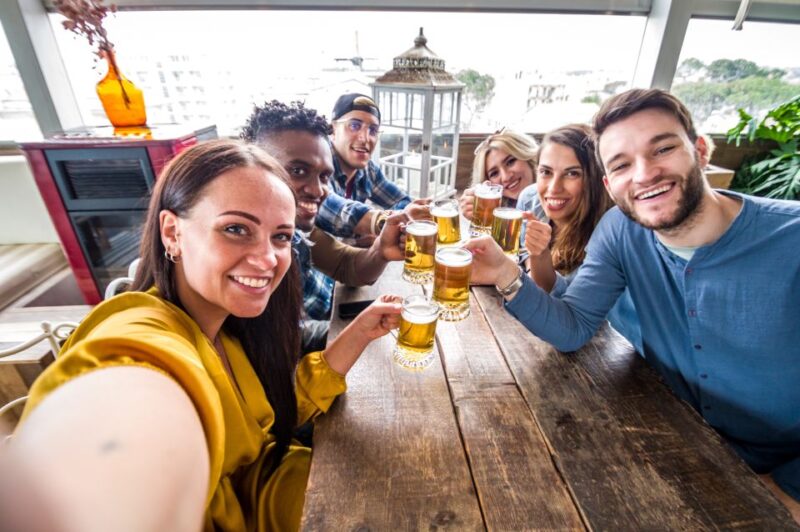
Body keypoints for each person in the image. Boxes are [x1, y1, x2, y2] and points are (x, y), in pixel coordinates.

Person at [1, 140, 403, 531]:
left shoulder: (226, 331)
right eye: (236, 229)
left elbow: (263, 431)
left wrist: (357, 334)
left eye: (281, 236)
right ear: (172, 232)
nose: (267, 259)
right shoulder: (143, 336)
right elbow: (123, 411)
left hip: (291, 494)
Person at [464, 89, 800, 521]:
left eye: (662, 148)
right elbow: (573, 327)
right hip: (675, 447)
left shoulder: (790, 238)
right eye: (621, 164)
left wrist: (787, 490)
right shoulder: (620, 229)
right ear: (609, 183)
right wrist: (504, 274)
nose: (644, 174)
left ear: (698, 151)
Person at [241, 100, 412, 352]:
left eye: (324, 177)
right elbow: (281, 340)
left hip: (331, 317)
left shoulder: (294, 230)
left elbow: (345, 264)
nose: (318, 190)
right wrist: (357, 331)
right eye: (298, 170)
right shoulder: (243, 249)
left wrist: (381, 251)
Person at [515, 124, 641, 351]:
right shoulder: (531, 200)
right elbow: (541, 284)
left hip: (616, 347)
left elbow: (568, 312)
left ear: (594, 179)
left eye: (572, 173)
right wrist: (537, 256)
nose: (554, 188)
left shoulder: (610, 231)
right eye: (546, 172)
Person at [329, 93, 413, 211]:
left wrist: (406, 213)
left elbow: (402, 201)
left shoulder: (368, 170)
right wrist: (381, 221)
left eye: (373, 130)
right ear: (333, 130)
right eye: (354, 125)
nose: (365, 138)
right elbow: (333, 211)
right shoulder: (318, 165)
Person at [459, 128, 538, 220]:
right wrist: (481, 219)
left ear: (529, 157)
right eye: (494, 173)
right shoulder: (501, 214)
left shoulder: (554, 201)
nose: (505, 177)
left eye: (510, 162)